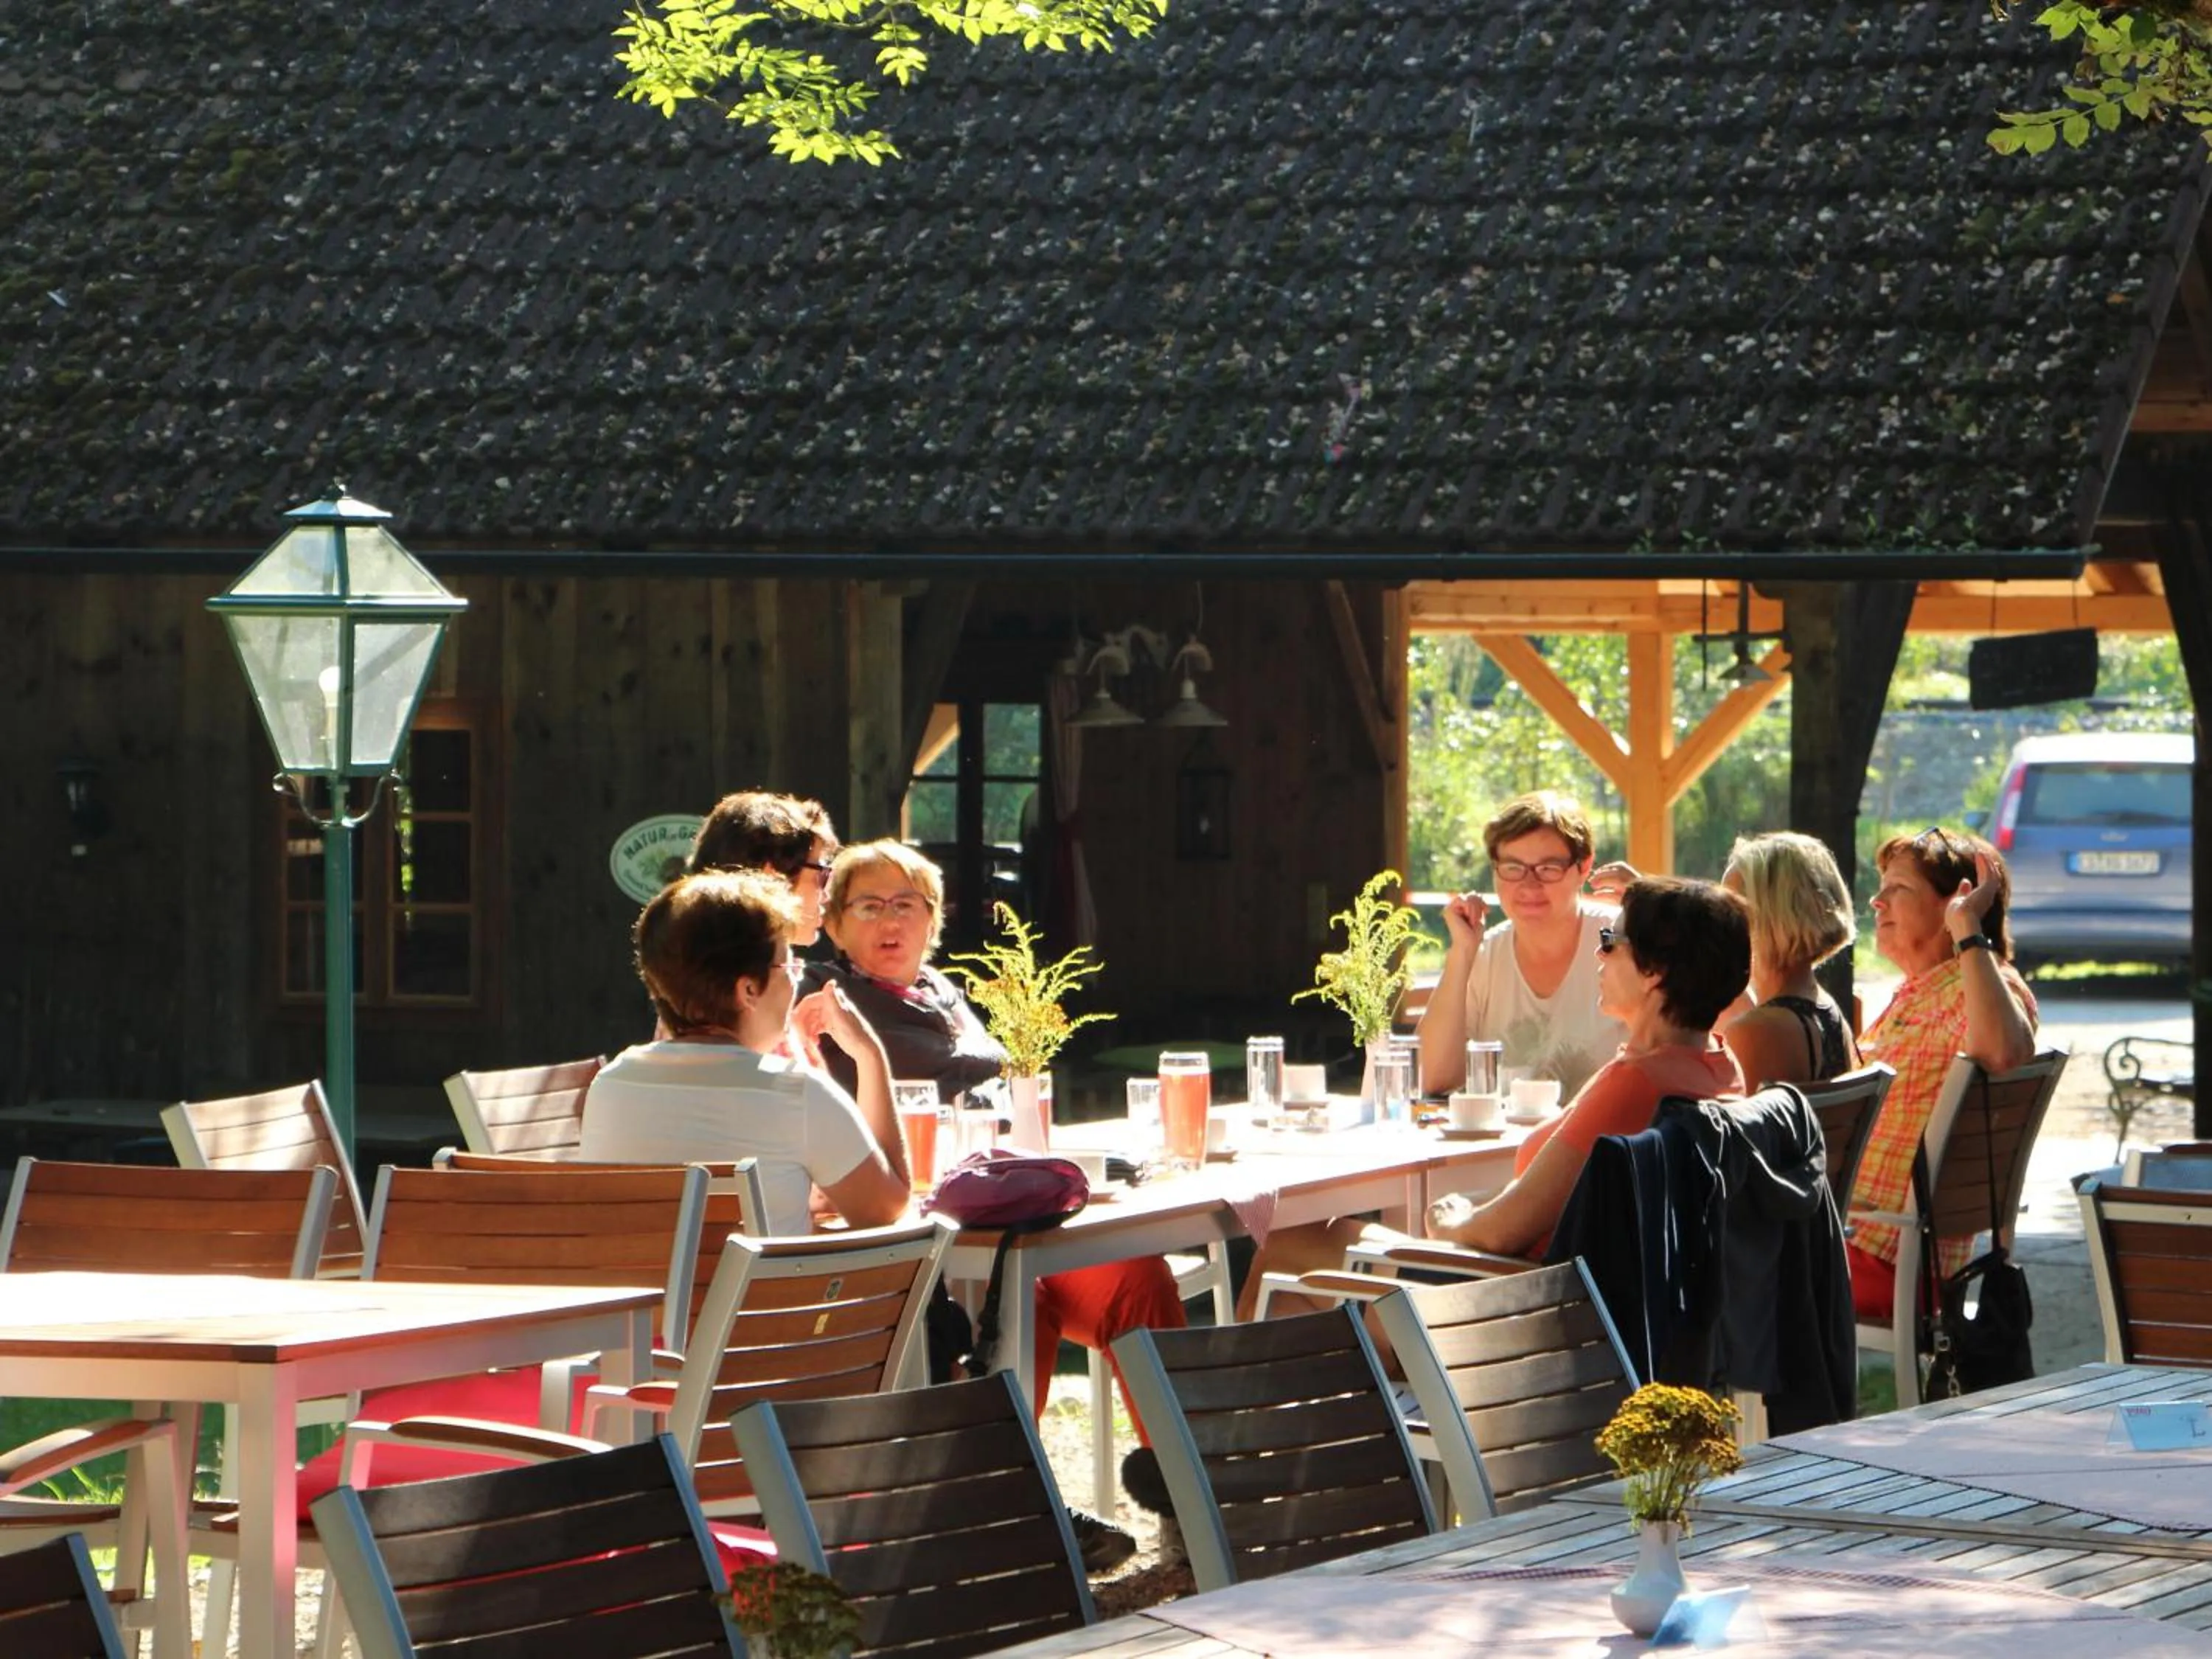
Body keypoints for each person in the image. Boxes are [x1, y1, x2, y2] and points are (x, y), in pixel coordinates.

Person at [807, 840, 1187, 1568]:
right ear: (835, 925)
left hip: (1011, 1222)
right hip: (924, 1245)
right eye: (870, 906)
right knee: (1019, 1298)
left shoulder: (942, 993)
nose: (892, 921)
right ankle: (1007, 1508)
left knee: (1136, 1272)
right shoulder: (830, 1000)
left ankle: (1183, 1489)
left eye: (908, 905)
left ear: (933, 920)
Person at [1426, 875, 1750, 1259]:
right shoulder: (1721, 1069)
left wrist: (1442, 1220)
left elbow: (1502, 1234)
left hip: (1531, 1298)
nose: (1599, 954)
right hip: (1606, 1301)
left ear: (1653, 973)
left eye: (1610, 943)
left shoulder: (1636, 1084)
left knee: (1338, 1239)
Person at [580, 869, 910, 1233]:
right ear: (748, 991)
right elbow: (886, 1211)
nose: (797, 980)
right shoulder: (798, 1095)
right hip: (761, 1291)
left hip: (646, 1292)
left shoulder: (610, 1088)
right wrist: (869, 1055)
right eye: (789, 965)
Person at [1847, 827, 2037, 1321]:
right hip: (1865, 1242)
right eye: (1880, 886)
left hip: (1880, 1255)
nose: (1876, 901)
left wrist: (1967, 931)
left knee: (1705, 1256)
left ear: (1957, 902)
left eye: (1898, 889)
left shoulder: (1978, 984)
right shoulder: (1928, 988)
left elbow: (2004, 1052)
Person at [1415, 790, 1626, 1100]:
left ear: (1584, 867)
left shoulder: (1623, 938)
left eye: (1548, 868)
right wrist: (1461, 953)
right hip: (1509, 1146)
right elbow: (1432, 1079)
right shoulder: (1482, 955)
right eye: (1513, 867)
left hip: (1610, 1144)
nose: (1529, 885)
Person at [1718, 832, 1862, 1088]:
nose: (1719, 922)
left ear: (1771, 919)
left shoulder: (1755, 1033)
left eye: (1730, 910)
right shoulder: (1828, 1012)